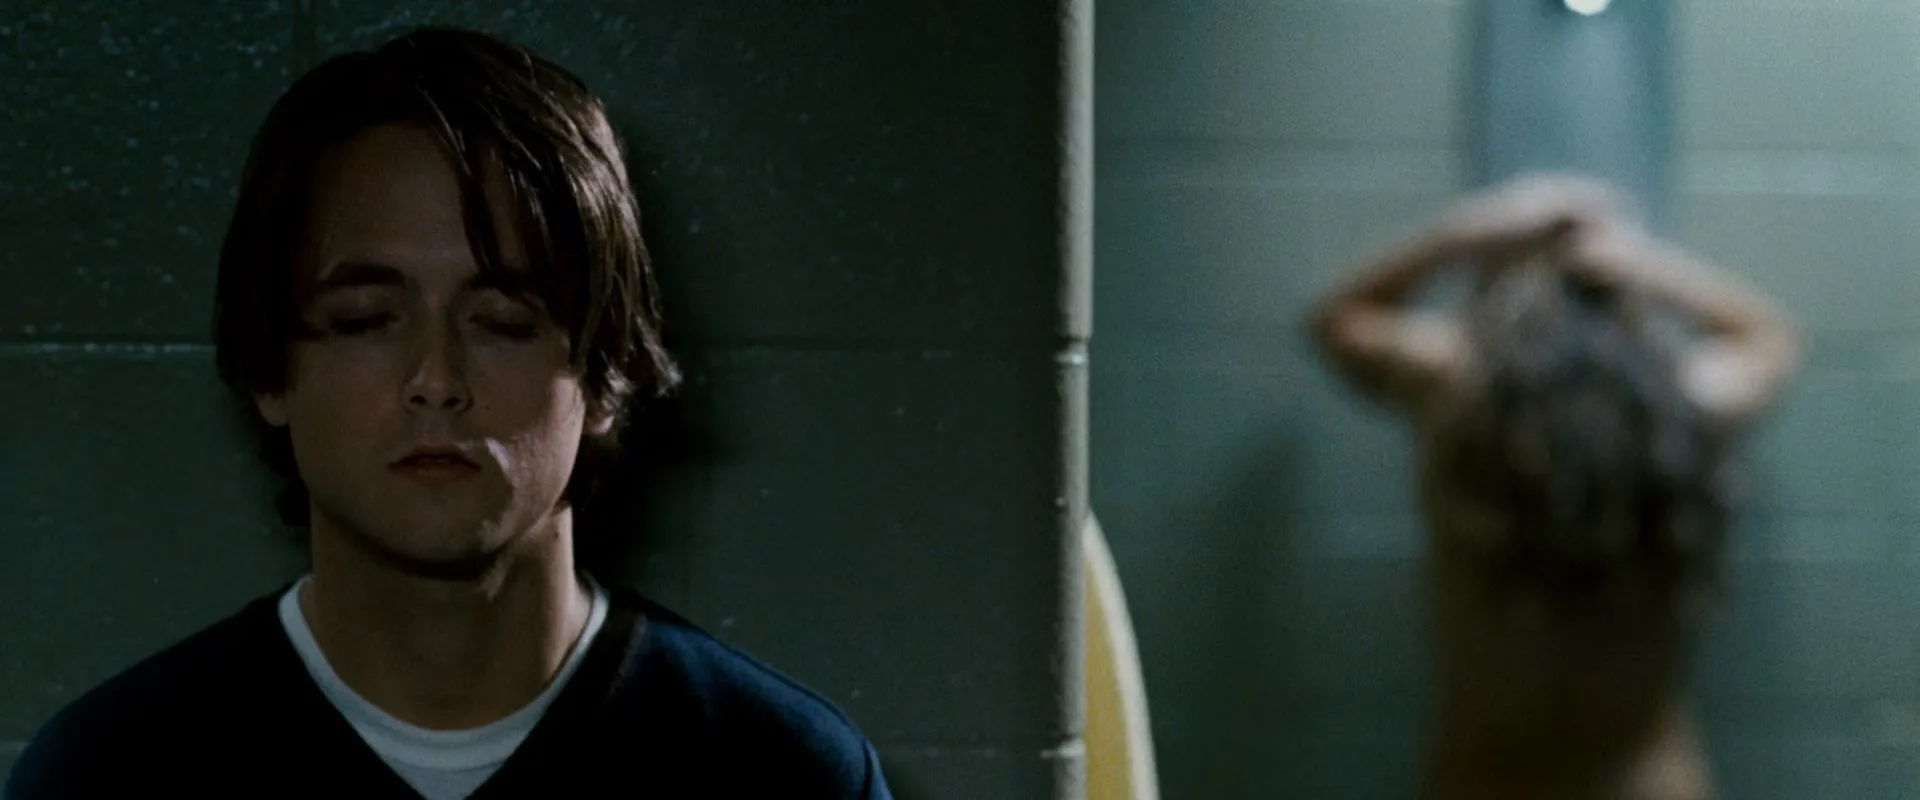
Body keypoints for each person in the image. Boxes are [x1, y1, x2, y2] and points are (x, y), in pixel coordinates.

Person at [5, 27, 892, 800]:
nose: (436, 379)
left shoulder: (782, 772)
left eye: (503, 321)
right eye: (366, 320)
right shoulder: (106, 774)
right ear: (271, 369)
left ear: (605, 369)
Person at [1308, 174, 1800, 800]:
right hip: (1646, 783)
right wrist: (1636, 261)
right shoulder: (1687, 398)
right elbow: (1770, 337)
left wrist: (1467, 235)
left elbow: (1337, 319)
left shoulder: (1459, 384)